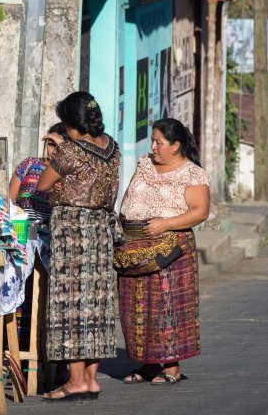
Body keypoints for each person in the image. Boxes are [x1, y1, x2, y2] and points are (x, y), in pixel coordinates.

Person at [36, 92, 121, 402]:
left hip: (72, 228)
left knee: (70, 303)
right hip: (100, 229)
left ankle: (74, 380)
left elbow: (42, 184)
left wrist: (61, 188)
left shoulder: (71, 151)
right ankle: (91, 379)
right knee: (96, 303)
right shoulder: (111, 146)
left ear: (71, 123)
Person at [118, 118, 210, 386]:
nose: (154, 147)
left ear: (176, 145)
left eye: (159, 142)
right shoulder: (145, 164)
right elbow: (129, 197)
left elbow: (200, 211)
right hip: (134, 248)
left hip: (170, 250)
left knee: (166, 308)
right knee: (137, 309)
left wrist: (165, 224)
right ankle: (148, 363)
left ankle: (171, 366)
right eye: (153, 141)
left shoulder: (192, 174)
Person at [9, 122, 66, 227]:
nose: (54, 151)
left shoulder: (69, 173)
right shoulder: (28, 164)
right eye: (51, 144)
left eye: (60, 146)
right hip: (21, 230)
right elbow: (10, 201)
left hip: (50, 234)